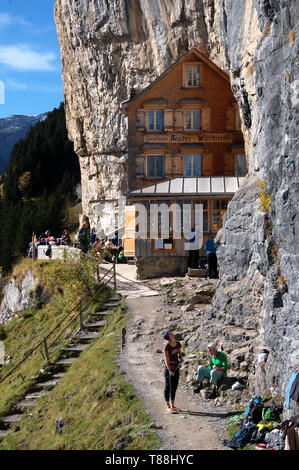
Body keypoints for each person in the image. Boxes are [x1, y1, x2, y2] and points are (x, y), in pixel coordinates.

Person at [163, 330, 183, 413]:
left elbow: (179, 352)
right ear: (169, 337)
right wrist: (170, 370)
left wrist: (181, 358)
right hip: (169, 368)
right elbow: (166, 360)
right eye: (170, 333)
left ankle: (173, 405)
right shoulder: (167, 347)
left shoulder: (178, 343)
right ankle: (168, 405)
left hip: (176, 367)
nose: (172, 333)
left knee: (174, 386)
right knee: (168, 386)